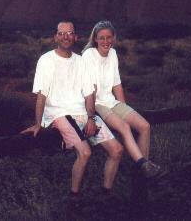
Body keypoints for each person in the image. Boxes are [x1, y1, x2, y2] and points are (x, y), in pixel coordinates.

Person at [22, 21, 124, 205]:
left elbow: (88, 94)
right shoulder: (46, 60)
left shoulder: (80, 61)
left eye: (70, 33)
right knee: (85, 152)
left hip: (82, 113)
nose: (66, 36)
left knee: (116, 150)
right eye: (62, 33)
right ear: (55, 36)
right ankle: (74, 197)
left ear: (75, 37)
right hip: (58, 113)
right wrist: (38, 123)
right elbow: (41, 96)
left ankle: (106, 194)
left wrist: (91, 118)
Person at [82, 20, 164, 179]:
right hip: (96, 103)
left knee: (144, 126)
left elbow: (117, 84)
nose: (105, 41)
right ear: (95, 39)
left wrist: (124, 109)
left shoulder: (112, 54)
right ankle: (143, 165)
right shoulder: (89, 55)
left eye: (108, 37)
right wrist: (90, 115)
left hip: (111, 101)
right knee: (125, 127)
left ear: (113, 38)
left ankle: (143, 170)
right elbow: (89, 90)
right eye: (101, 38)